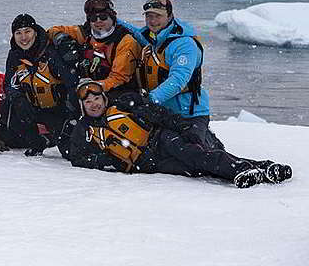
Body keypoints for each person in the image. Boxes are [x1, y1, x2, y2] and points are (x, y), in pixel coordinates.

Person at [67, 79, 292, 189]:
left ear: (104, 98)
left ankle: (249, 169)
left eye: (97, 98)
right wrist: (101, 160)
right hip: (147, 164)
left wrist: (184, 128)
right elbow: (76, 157)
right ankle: (257, 170)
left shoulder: (125, 104)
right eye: (88, 101)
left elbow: (160, 114)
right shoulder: (83, 131)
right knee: (194, 169)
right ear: (82, 106)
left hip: (161, 140)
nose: (94, 104)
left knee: (197, 156)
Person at [120, 0, 223, 150]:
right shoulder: (154, 38)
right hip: (164, 113)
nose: (153, 21)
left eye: (158, 16)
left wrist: (149, 99)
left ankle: (236, 163)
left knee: (194, 153)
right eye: (149, 16)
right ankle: (208, 141)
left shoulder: (184, 44)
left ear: (170, 15)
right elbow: (134, 32)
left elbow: (178, 80)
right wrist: (112, 19)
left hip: (189, 114)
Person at [0, 13, 74, 156]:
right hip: (34, 108)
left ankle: (57, 136)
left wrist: (72, 113)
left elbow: (71, 82)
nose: (24, 37)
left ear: (35, 32)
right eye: (18, 33)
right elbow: (9, 85)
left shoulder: (51, 52)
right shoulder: (14, 56)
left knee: (69, 153)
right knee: (8, 105)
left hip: (59, 109)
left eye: (27, 31)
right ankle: (37, 142)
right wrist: (18, 99)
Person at [45, 0, 141, 99]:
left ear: (112, 18)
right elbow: (52, 30)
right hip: (86, 86)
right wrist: (62, 40)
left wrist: (91, 88)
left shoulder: (125, 41)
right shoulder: (84, 33)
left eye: (103, 17)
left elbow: (119, 78)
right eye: (94, 18)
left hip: (117, 91)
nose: (98, 21)